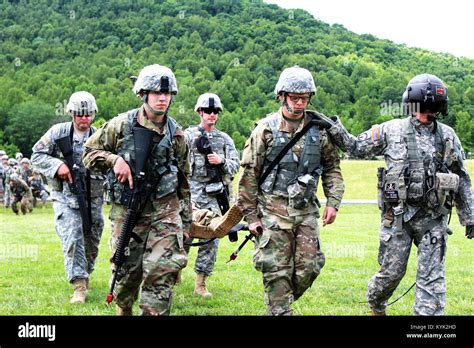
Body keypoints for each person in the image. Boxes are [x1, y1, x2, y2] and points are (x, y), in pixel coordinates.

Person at [327, 73, 474, 315]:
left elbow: (461, 178)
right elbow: (356, 147)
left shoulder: (448, 135)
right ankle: (376, 303)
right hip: (397, 218)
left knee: (432, 281)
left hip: (433, 219)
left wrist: (469, 217)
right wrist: (334, 127)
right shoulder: (390, 130)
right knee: (390, 274)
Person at [83, 64, 191, 316]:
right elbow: (88, 154)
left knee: (162, 270)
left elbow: (184, 182)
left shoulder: (177, 135)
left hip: (166, 211)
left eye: (167, 94)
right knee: (127, 273)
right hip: (128, 210)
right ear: (143, 94)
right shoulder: (121, 125)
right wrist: (114, 160)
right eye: (156, 93)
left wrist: (185, 223)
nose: (163, 98)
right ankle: (124, 307)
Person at [236, 65, 345, 315]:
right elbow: (249, 175)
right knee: (276, 269)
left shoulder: (319, 131)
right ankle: (279, 308)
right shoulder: (265, 130)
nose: (299, 103)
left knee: (310, 266)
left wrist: (333, 201)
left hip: (306, 211)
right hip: (273, 211)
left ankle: (280, 302)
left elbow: (332, 169)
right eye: (294, 98)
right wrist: (251, 217)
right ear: (282, 96)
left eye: (304, 98)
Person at [31, 91, 106, 304]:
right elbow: (36, 155)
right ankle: (79, 285)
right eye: (80, 114)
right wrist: (58, 166)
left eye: (88, 114)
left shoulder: (99, 135)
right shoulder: (58, 132)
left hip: (93, 196)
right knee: (72, 237)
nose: (84, 118)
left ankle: (86, 272)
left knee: (92, 236)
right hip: (65, 196)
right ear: (71, 113)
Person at [183, 93, 240, 297]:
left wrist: (222, 161)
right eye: (208, 111)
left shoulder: (224, 139)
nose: (212, 115)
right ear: (200, 112)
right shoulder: (188, 136)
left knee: (212, 239)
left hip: (217, 199)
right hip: (193, 197)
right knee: (184, 236)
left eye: (215, 111)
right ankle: (174, 272)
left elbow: (235, 166)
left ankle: (201, 283)